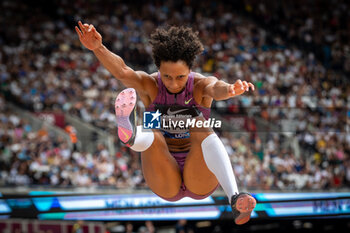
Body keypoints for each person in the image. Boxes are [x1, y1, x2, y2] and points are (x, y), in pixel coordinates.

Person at [75, 21, 256, 225]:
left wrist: (230, 90)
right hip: (164, 173)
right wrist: (98, 48)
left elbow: (216, 87)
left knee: (199, 124)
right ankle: (133, 135)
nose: (173, 83)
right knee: (154, 133)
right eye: (167, 76)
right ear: (158, 69)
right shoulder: (150, 84)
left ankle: (235, 197)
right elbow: (123, 72)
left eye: (180, 77)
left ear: (190, 70)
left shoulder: (200, 84)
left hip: (199, 172)